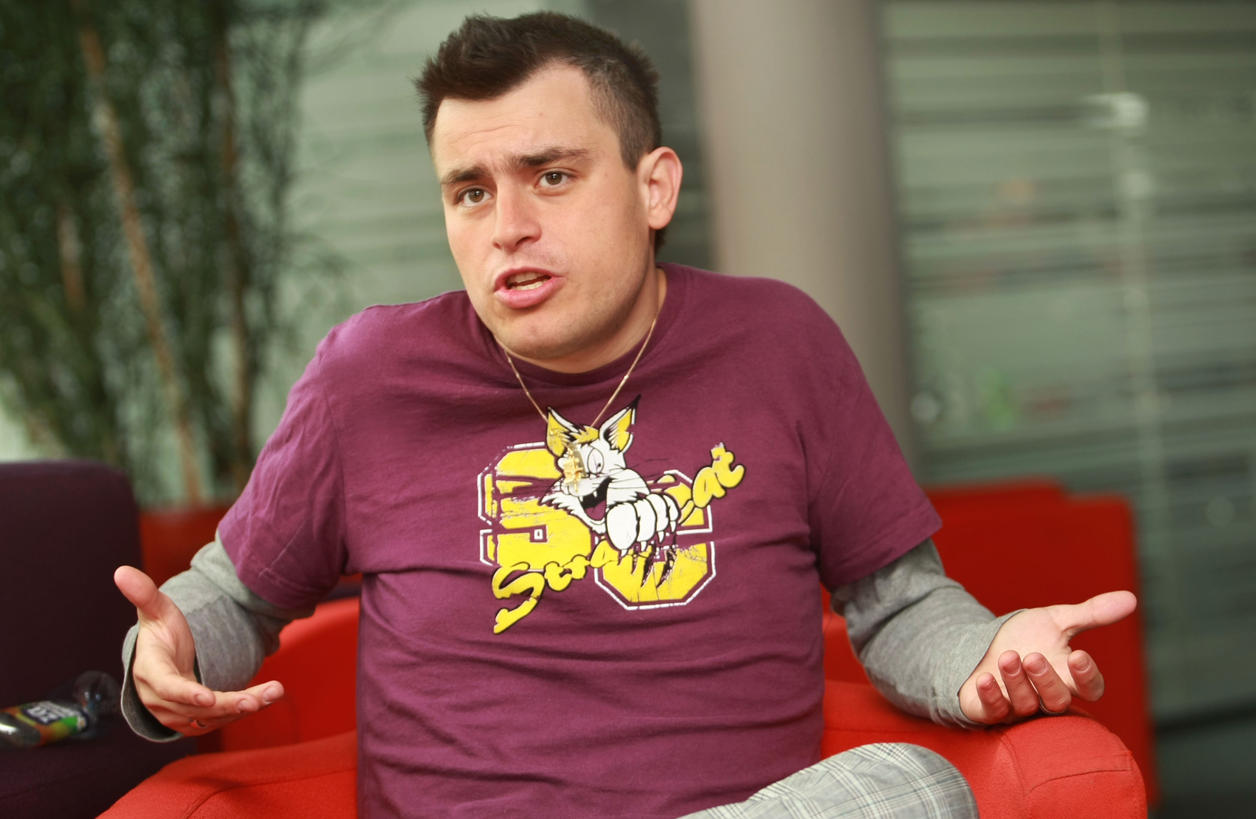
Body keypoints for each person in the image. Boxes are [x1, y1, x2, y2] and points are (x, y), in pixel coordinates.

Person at [114, 11, 1137, 818]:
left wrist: (985, 655)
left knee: (921, 790)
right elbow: (235, 597)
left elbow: (899, 603)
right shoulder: (368, 377)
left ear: (654, 188)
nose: (508, 227)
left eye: (551, 176)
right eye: (469, 193)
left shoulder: (779, 344)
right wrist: (168, 653)